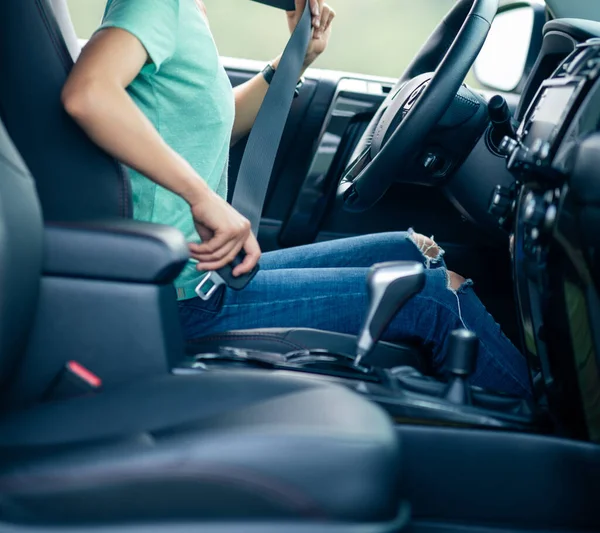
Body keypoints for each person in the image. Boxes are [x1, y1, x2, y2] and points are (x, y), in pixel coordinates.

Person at [62, 0, 532, 398]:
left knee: (414, 252)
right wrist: (201, 197)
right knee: (436, 297)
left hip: (203, 276)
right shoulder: (154, 4)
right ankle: (557, 435)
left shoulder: (187, 8)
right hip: (179, 296)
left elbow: (200, 129)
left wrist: (292, 61)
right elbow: (88, 92)